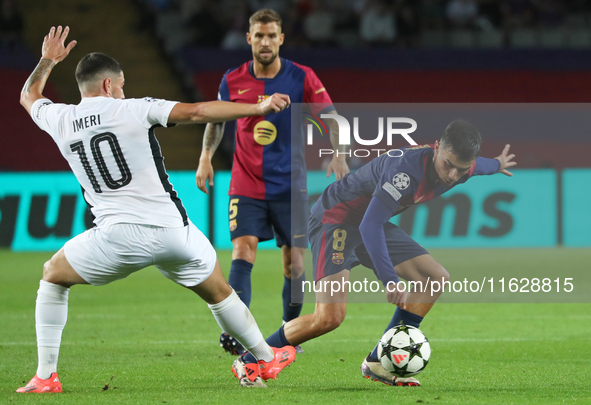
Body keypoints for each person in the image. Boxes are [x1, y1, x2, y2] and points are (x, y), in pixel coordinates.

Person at [16, 25, 296, 393]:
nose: (123, 90)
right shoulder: (133, 109)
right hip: (172, 232)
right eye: (120, 84)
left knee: (53, 276)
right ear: (107, 86)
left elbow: (28, 95)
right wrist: (256, 106)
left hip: (115, 238)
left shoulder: (61, 118)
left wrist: (47, 60)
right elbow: (197, 111)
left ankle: (45, 376)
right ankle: (263, 356)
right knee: (217, 288)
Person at [236, 120, 516, 386]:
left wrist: (498, 164)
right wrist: (390, 279)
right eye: (449, 165)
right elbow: (371, 225)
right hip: (336, 220)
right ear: (436, 147)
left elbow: (481, 166)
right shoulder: (405, 173)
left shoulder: (463, 168)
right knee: (328, 318)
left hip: (370, 220)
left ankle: (379, 361)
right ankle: (250, 360)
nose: (453, 175)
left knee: (434, 278)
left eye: (461, 169)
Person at [195, 9, 348, 357]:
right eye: (259, 36)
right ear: (249, 39)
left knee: (294, 263)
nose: (265, 42)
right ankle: (236, 332)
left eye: (271, 36)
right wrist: (205, 156)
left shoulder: (302, 77)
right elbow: (216, 120)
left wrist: (338, 153)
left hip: (290, 187)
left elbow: (332, 116)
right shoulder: (232, 79)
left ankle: (287, 333)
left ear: (281, 39)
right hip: (245, 183)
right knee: (242, 249)